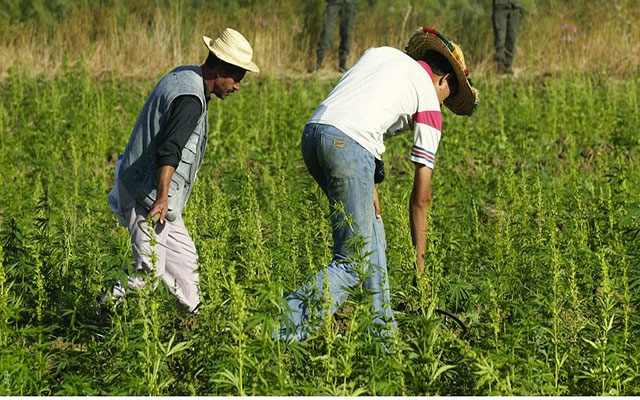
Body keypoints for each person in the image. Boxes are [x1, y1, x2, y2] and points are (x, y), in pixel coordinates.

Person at [276, 27, 478, 341]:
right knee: (352, 263)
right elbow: (421, 199)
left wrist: (367, 179)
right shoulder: (429, 99)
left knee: (373, 237)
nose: (443, 105)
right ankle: (273, 334)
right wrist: (420, 268)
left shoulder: (382, 55)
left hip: (315, 134)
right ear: (445, 80)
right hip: (349, 146)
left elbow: (357, 107)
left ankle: (383, 339)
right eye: (448, 97)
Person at [105, 28, 259, 312]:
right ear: (220, 70)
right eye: (236, 78)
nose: (237, 86)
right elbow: (170, 149)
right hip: (147, 195)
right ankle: (99, 314)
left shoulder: (186, 76)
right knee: (147, 274)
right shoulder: (190, 100)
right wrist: (162, 198)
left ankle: (195, 322)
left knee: (186, 265)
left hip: (153, 193)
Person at [314, 0, 358, 72]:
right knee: (327, 32)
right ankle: (320, 63)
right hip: (333, 2)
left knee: (347, 33)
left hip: (349, 3)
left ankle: (343, 64)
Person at [492, 0, 523, 74]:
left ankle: (508, 66)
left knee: (512, 38)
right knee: (500, 39)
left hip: (515, 7)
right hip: (500, 6)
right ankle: (500, 68)